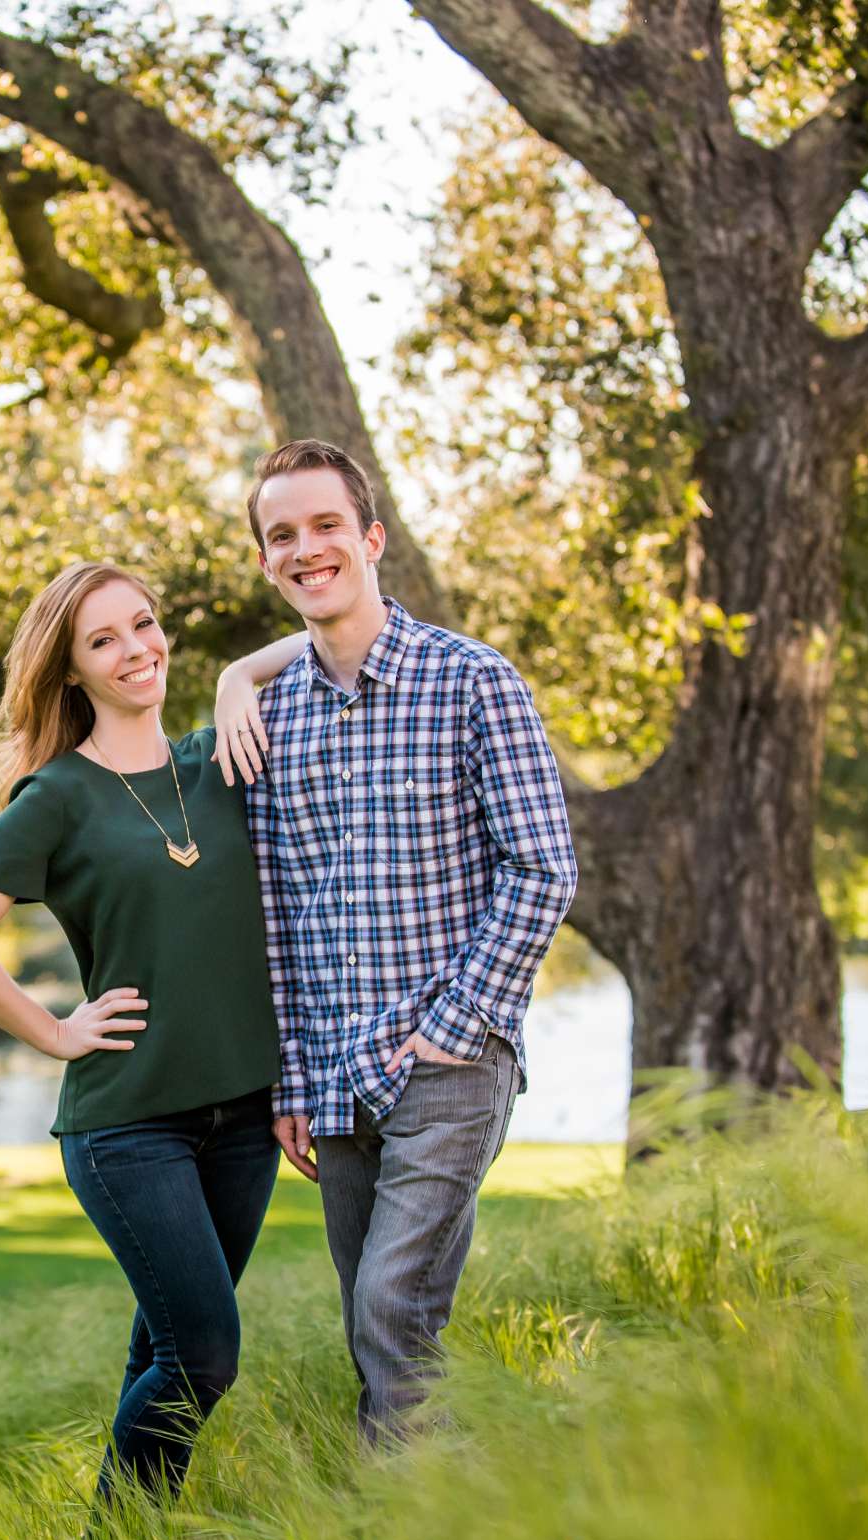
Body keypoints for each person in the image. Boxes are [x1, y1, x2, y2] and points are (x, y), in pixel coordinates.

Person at [210, 438, 579, 1443]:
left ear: (372, 538)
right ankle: (431, 1530)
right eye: (282, 534)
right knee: (377, 1327)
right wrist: (291, 1079)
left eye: (327, 525)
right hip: (335, 1083)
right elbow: (280, 916)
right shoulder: (269, 720)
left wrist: (459, 1027)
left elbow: (544, 868)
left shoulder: (471, 682)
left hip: (448, 1063)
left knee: (392, 1308)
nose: (306, 547)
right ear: (265, 562)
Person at [0, 560, 282, 1504]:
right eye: (104, 639)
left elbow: (345, 631)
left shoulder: (222, 756)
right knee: (204, 1356)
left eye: (146, 624)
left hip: (245, 1121)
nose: (137, 650)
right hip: (129, 1128)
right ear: (71, 672)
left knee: (164, 1355)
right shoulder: (57, 798)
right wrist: (51, 1032)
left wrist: (240, 673)